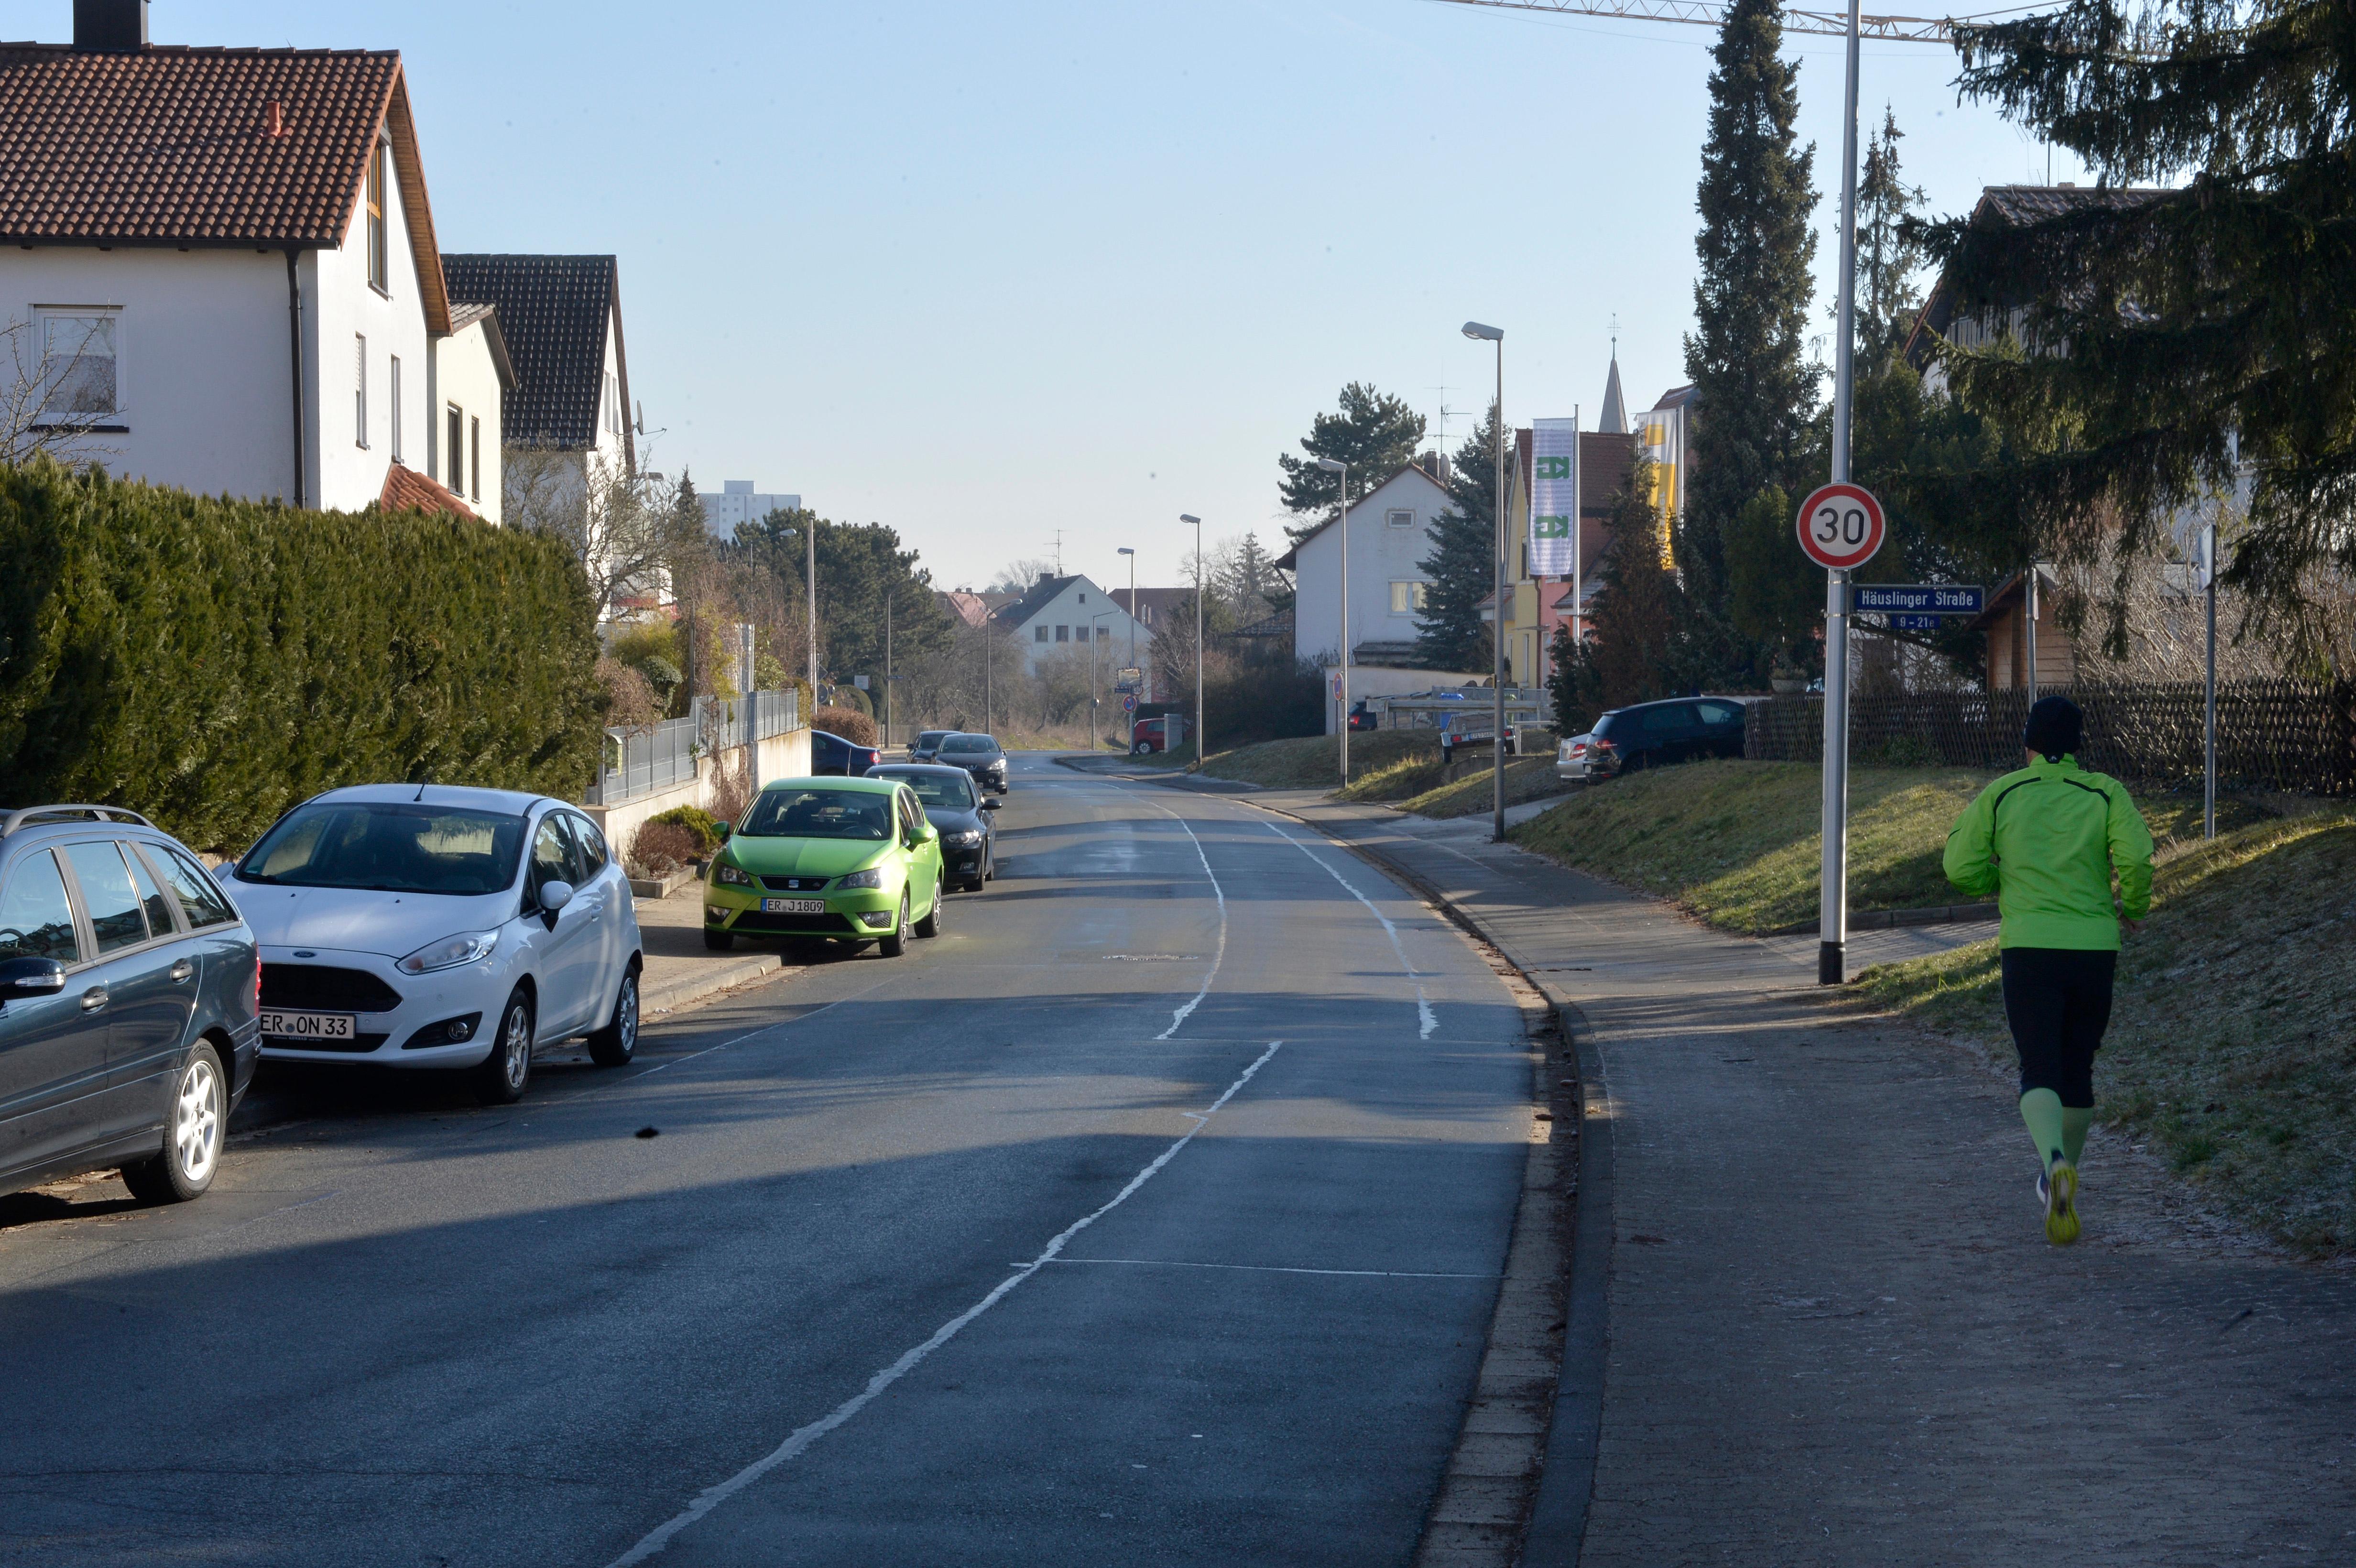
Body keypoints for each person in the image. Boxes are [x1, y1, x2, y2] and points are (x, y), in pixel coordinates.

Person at [1943, 695, 2154, 1245]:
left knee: (2037, 1066)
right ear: (2078, 746)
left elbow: (1959, 865)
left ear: (2027, 744)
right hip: (2093, 948)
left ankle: (2052, 1159)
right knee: (2077, 1067)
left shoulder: (2002, 793)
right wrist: (2133, 907)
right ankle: (2058, 1176)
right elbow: (2135, 857)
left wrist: (1997, 883)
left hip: (2029, 947)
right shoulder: (2104, 792)